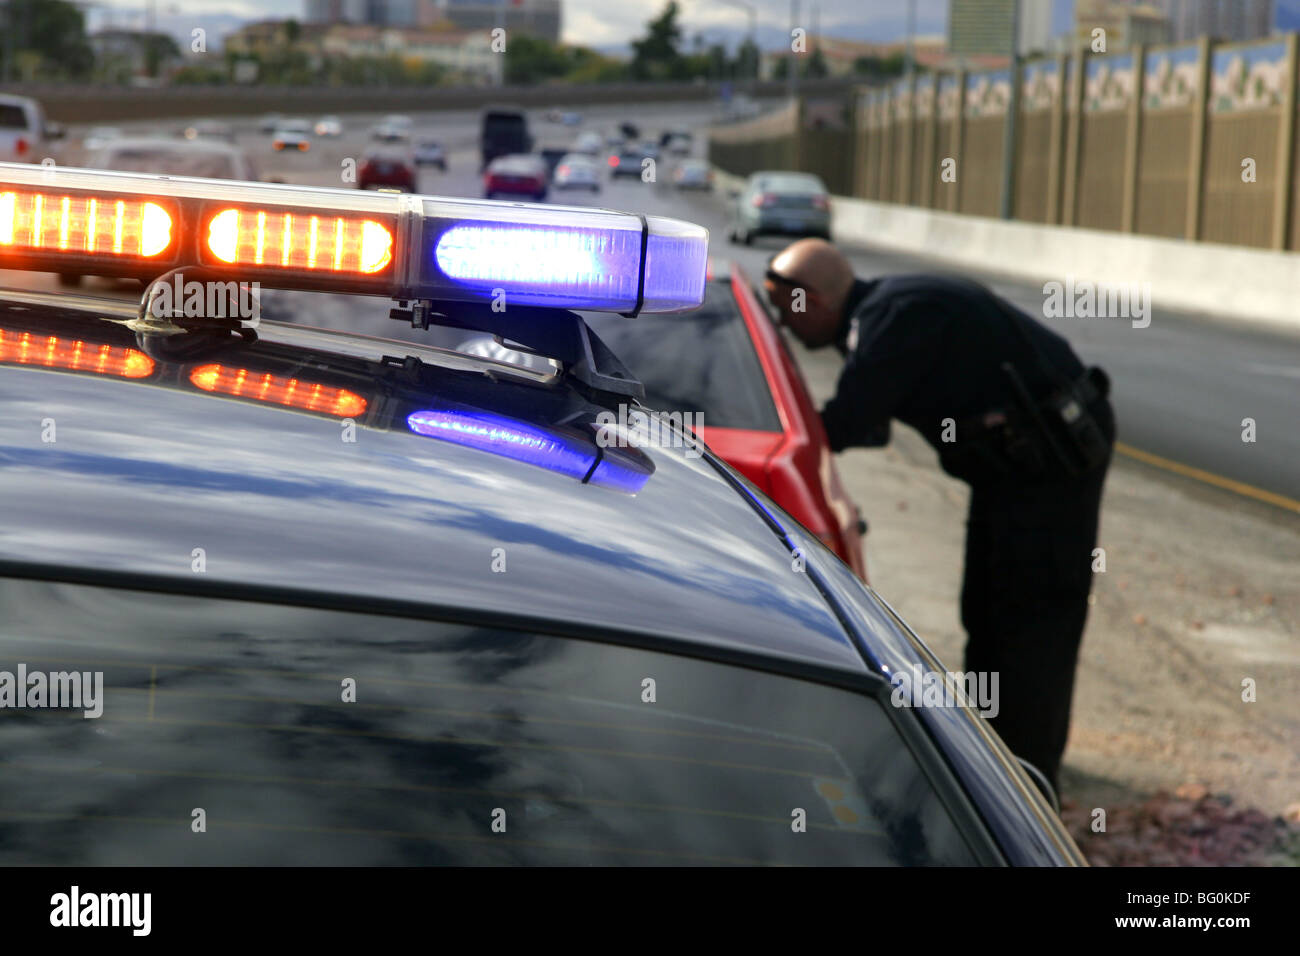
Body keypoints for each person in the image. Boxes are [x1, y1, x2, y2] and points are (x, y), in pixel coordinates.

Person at [764, 238, 1116, 794]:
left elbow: (850, 421)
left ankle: (1028, 788)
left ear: (817, 299)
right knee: (989, 612)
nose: (785, 324)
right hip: (1013, 478)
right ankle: (995, 763)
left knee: (1030, 630)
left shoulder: (894, 318)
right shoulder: (890, 311)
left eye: (786, 309)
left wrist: (771, 440)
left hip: (1048, 477)